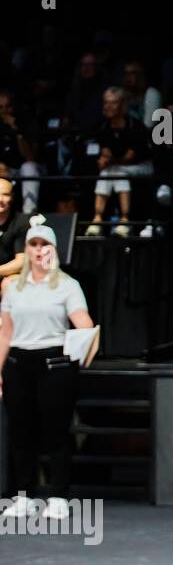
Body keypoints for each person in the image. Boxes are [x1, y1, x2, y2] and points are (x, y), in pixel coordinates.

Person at [0, 215, 95, 520]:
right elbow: (5, 331)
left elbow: (84, 324)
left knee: (55, 431)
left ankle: (58, 494)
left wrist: (80, 353)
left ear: (54, 249)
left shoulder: (68, 286)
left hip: (54, 363)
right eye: (34, 244)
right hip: (17, 362)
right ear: (26, 249)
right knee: (20, 431)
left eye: (45, 245)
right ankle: (24, 494)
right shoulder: (13, 287)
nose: (39, 250)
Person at [86, 87, 152, 238]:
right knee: (108, 172)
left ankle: (124, 219)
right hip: (116, 167)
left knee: (117, 171)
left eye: (113, 103)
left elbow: (130, 157)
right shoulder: (103, 127)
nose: (108, 107)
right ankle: (97, 220)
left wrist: (110, 161)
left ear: (122, 105)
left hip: (142, 166)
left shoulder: (134, 126)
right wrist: (105, 160)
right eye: (106, 103)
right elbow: (104, 151)